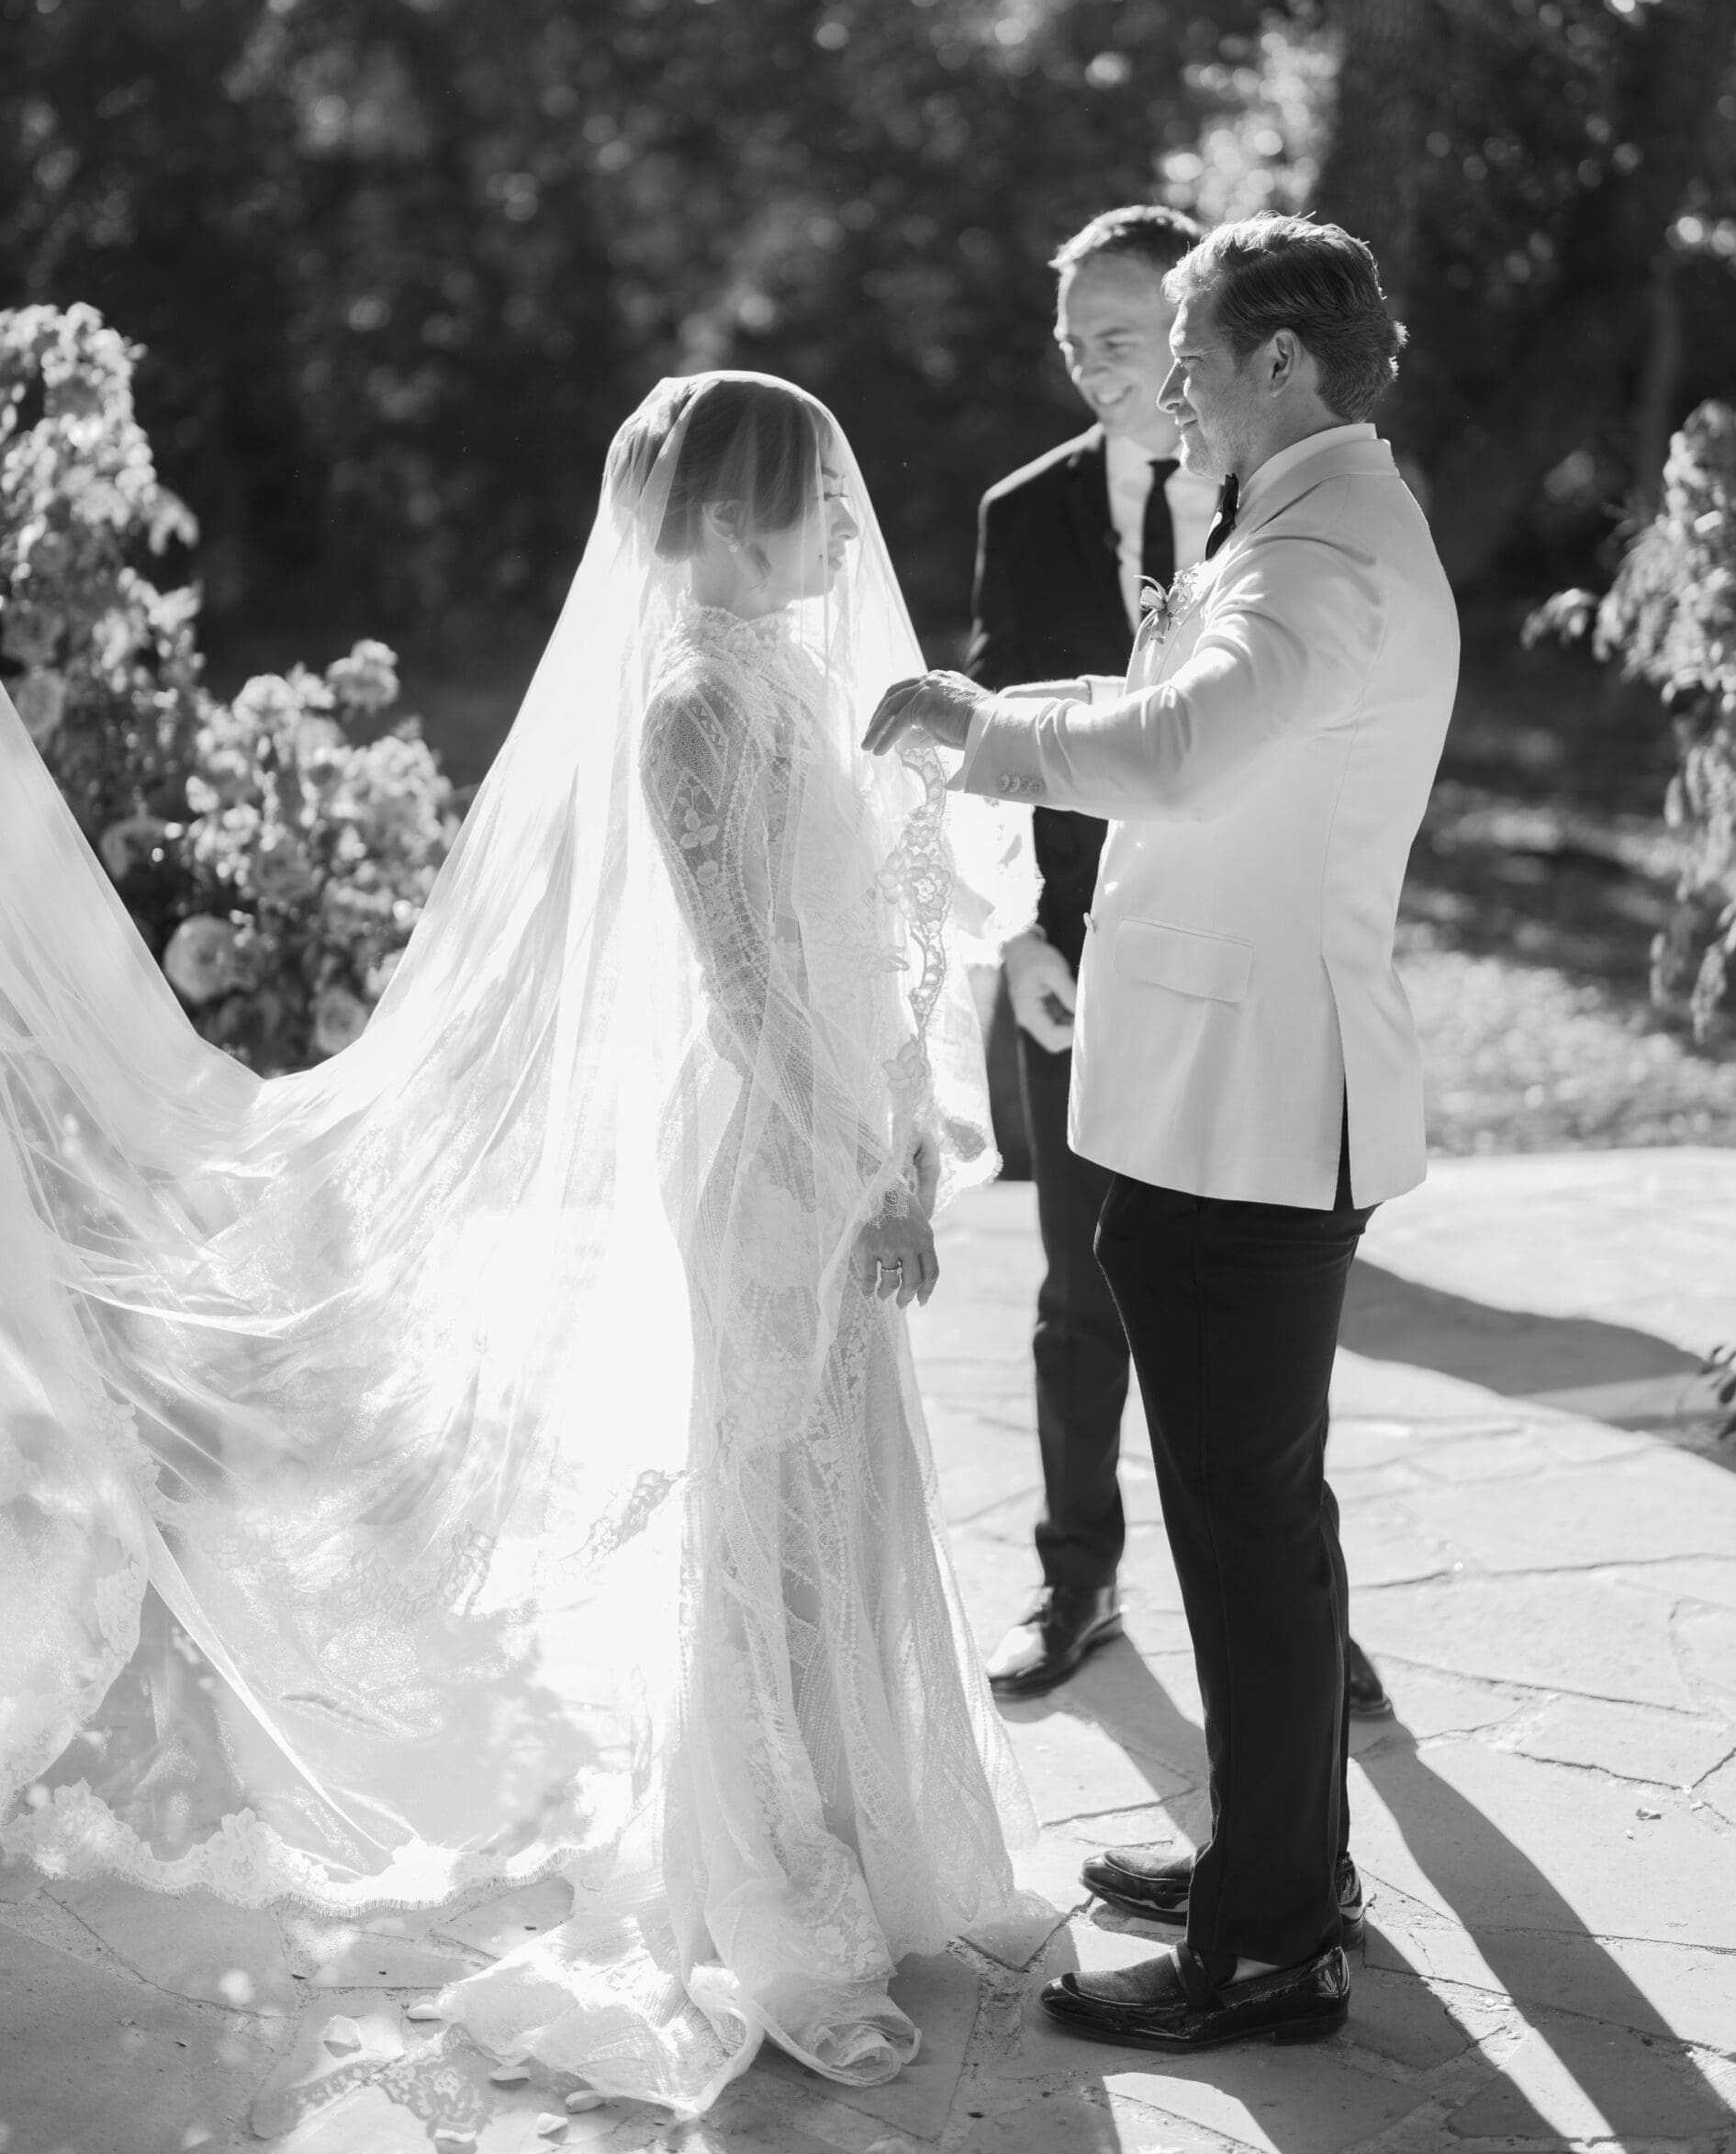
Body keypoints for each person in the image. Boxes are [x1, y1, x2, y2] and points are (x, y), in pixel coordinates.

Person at [0, 372, 1038, 2117]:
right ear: (722, 524)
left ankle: (875, 1836)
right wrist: (861, 1156)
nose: (852, 519)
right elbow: (747, 980)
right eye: (816, 495)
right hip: (772, 1151)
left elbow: (856, 933)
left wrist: (910, 1138)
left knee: (843, 1488)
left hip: (843, 1136)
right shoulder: (694, 712)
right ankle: (767, 1871)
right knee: (767, 1487)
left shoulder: (798, 681)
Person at [867, 214, 1461, 2050]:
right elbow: (1161, 713)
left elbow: (1188, 747)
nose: (1171, 393)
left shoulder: (1321, 556)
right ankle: (1279, 1865)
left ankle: (1272, 1946)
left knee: (1243, 1539)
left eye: (1193, 359)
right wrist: (1014, 717)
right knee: (1263, 1527)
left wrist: (982, 732)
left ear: (1280, 360)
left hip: (1251, 1115)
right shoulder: (1315, 525)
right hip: (1235, 1101)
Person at [969, 203, 1210, 1699]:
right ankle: (1077, 1577)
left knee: (1241, 1289)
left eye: (1116, 339)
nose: (1089, 371)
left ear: (1196, 329)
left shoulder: (1287, 497)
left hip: (1233, 956)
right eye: (1071, 346)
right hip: (1070, 956)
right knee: (1081, 1288)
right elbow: (996, 745)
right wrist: (1010, 939)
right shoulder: (1021, 510)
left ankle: (1289, 1592)